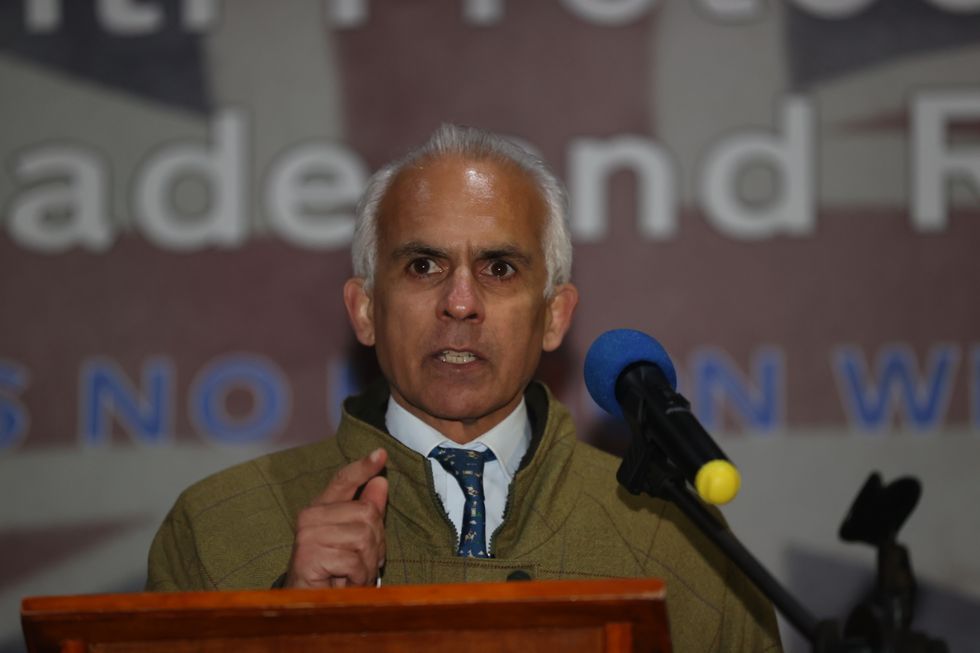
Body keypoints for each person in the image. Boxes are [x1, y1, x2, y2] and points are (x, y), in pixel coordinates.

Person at [147, 124, 782, 652]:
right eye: (423, 266)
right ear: (365, 308)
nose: (460, 303)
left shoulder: (678, 539)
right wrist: (287, 624)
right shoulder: (215, 527)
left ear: (555, 315)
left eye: (499, 268)